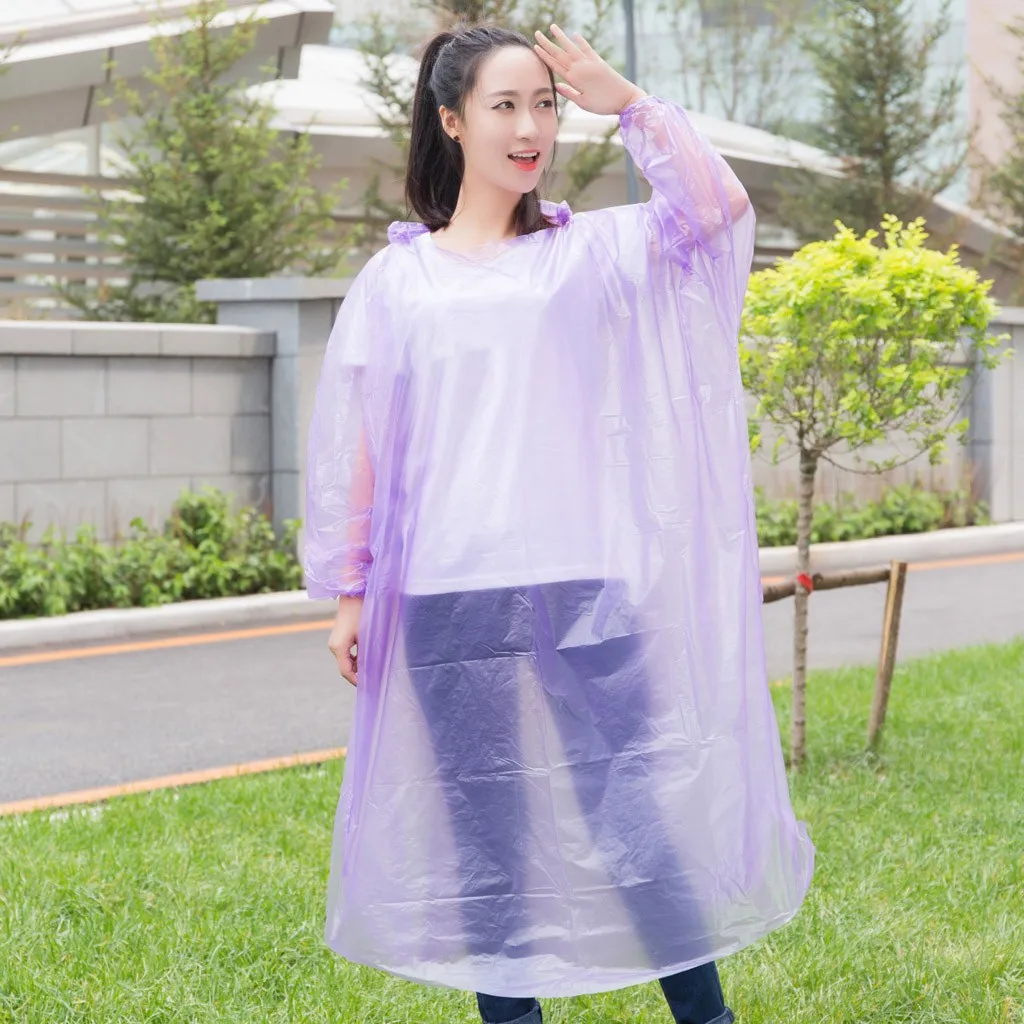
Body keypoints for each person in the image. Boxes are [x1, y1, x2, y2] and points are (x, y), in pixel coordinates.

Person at [303, 21, 814, 1024]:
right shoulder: (398, 281)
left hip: (582, 580)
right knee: (486, 833)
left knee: (630, 814)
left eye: (543, 104)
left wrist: (629, 104)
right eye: (504, 105)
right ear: (452, 122)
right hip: (448, 592)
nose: (530, 127)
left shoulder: (588, 255)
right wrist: (351, 591)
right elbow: (364, 443)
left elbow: (715, 210)